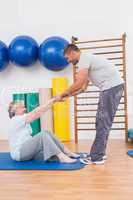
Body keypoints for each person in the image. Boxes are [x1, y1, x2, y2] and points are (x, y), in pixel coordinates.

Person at [54, 44, 124, 165]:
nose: (68, 61)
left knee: (103, 122)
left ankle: (97, 157)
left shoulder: (84, 59)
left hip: (111, 88)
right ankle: (99, 152)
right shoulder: (86, 61)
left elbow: (79, 82)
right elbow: (82, 88)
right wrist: (66, 96)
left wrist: (62, 93)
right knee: (101, 122)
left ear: (73, 53)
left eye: (67, 58)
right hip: (111, 88)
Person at [7, 99, 79, 163]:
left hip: (26, 150)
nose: (24, 107)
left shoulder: (22, 118)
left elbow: (38, 112)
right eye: (20, 106)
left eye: (23, 106)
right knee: (43, 135)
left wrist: (53, 102)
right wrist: (52, 101)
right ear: (13, 110)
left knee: (47, 132)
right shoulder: (15, 120)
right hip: (19, 153)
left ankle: (67, 152)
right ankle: (62, 157)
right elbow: (36, 112)